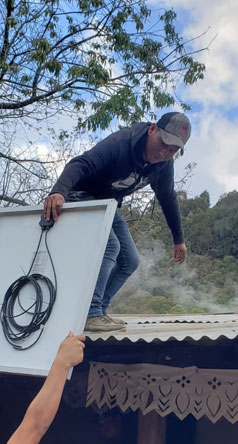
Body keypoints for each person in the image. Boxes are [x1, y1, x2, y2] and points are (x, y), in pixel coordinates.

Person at [43, 112, 191, 333]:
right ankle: (91, 313)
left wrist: (178, 239)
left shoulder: (163, 165)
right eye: (163, 143)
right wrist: (58, 192)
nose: (163, 152)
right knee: (111, 245)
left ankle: (98, 312)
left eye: (172, 150)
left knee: (129, 261)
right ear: (152, 129)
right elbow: (81, 163)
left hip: (107, 205)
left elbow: (168, 198)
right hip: (78, 196)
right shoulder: (121, 144)